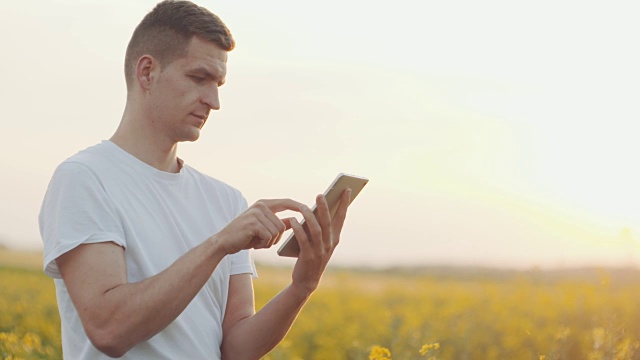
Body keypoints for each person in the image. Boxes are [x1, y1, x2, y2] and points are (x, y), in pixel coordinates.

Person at [38, 1, 351, 358]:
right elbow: (110, 329)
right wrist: (219, 243)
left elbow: (235, 349)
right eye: (199, 78)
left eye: (218, 84)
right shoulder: (85, 179)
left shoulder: (226, 200)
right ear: (147, 73)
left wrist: (303, 285)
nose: (214, 101)